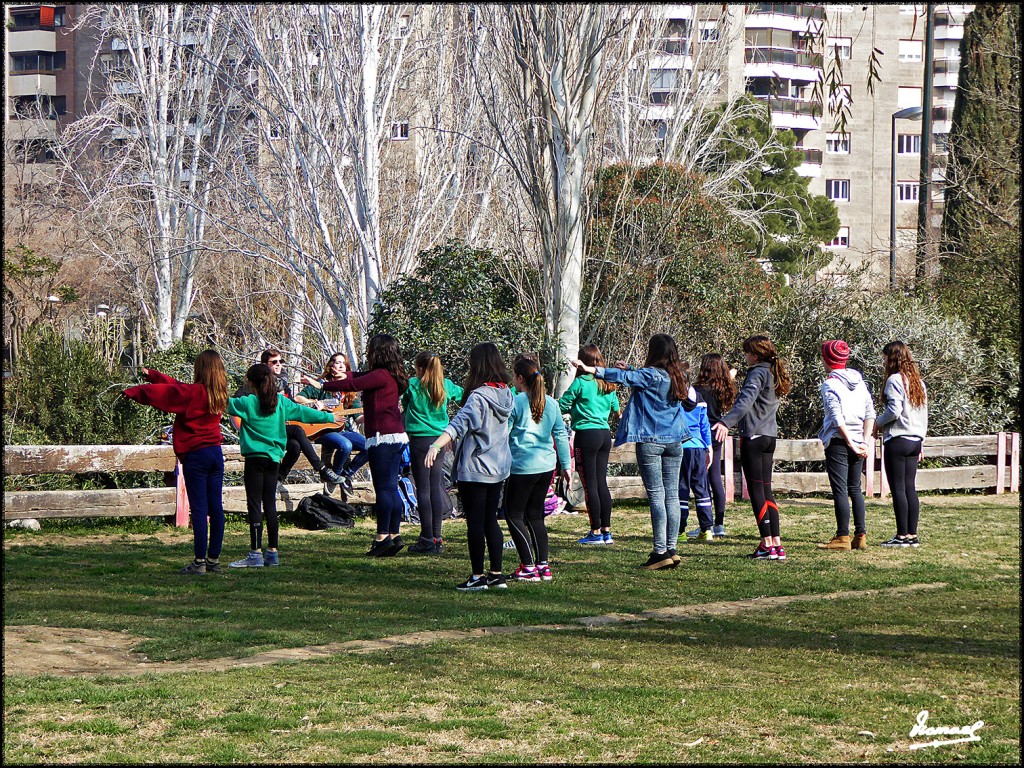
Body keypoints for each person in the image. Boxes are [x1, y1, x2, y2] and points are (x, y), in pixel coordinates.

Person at [572, 333, 697, 571]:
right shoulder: (679, 376)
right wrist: (631, 368)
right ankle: (671, 549)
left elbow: (623, 378)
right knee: (672, 495)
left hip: (651, 440)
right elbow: (638, 376)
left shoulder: (650, 375)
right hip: (676, 442)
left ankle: (659, 551)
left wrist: (590, 369)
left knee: (657, 496)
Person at [123, 350, 229, 575]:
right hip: (215, 454)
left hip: (196, 456)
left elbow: (170, 394)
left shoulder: (193, 393)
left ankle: (199, 562)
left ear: (200, 369)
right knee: (215, 507)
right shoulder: (219, 394)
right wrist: (154, 375)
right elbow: (175, 387)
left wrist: (136, 392)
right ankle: (213, 560)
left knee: (199, 509)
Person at [226, 363, 342, 568]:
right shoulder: (280, 402)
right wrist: (329, 417)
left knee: (254, 504)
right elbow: (304, 413)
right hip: (273, 460)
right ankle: (272, 552)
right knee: (269, 504)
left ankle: (255, 554)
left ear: (251, 383)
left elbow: (221, 402)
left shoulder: (247, 402)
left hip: (254, 459)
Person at [425, 342, 514, 591]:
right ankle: (496, 574)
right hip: (497, 467)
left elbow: (458, 424)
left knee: (475, 522)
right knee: (490, 521)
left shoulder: (479, 396)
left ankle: (477, 577)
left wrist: (436, 445)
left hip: (475, 468)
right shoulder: (507, 394)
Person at [322, 334, 410, 557]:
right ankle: (394, 535)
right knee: (391, 487)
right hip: (395, 437)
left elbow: (355, 383)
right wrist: (346, 374)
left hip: (383, 437)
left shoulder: (380, 375)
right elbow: (359, 377)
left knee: (383, 488)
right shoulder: (389, 373)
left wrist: (323, 384)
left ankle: (381, 537)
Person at [712, 334, 792, 561]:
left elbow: (744, 402)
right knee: (767, 491)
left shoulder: (757, 373)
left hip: (754, 438)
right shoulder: (772, 372)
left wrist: (725, 422)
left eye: (747, 352)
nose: (745, 356)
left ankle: (767, 544)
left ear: (755, 354)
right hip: (769, 436)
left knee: (757, 492)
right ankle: (776, 543)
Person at [234, 349, 343, 488]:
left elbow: (293, 408)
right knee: (297, 430)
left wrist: (317, 409)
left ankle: (278, 480)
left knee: (295, 447)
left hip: (279, 428)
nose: (279, 365)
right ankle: (322, 469)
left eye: (281, 361)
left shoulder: (283, 385)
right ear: (265, 365)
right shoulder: (256, 383)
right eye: (274, 362)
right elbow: (236, 403)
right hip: (262, 430)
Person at [506, 357, 571, 582]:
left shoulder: (516, 402)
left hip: (523, 465)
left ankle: (528, 566)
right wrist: (566, 466)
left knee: (513, 514)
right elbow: (561, 435)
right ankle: (543, 566)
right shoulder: (551, 403)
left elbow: (504, 432)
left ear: (520, 378)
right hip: (546, 466)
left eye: (514, 375)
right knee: (535, 516)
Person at [816, 340, 876, 552]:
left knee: (840, 489)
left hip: (839, 441)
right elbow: (870, 413)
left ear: (827, 360)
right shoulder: (860, 381)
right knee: (855, 488)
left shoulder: (830, 384)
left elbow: (835, 417)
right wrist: (863, 442)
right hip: (859, 441)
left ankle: (842, 536)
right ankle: (861, 534)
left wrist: (850, 442)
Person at [401, 351, 463, 554]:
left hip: (420, 440)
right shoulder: (446, 385)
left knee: (423, 489)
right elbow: (464, 396)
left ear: (419, 368)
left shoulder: (413, 385)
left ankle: (426, 537)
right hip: (440, 439)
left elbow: (405, 405)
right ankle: (437, 536)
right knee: (436, 486)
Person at [559, 343, 619, 546]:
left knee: (589, 485)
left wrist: (574, 410)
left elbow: (562, 404)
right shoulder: (607, 383)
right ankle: (606, 530)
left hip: (586, 434)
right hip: (604, 434)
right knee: (601, 482)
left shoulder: (581, 383)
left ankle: (595, 532)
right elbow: (615, 408)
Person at [873, 340, 928, 548]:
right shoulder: (918, 382)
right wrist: (921, 441)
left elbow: (894, 411)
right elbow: (923, 415)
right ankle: (912, 535)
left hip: (898, 439)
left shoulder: (895, 380)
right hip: (915, 440)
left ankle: (901, 535)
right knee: (909, 488)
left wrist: (877, 423)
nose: (884, 361)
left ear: (892, 358)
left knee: (898, 489)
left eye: (885, 357)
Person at [295, 352, 368, 494]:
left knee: (369, 446)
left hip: (342, 429)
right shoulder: (321, 384)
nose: (340, 366)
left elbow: (358, 418)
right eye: (337, 362)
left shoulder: (349, 390)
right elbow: (298, 399)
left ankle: (344, 475)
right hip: (322, 429)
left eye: (343, 363)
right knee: (345, 445)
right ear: (331, 365)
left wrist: (371, 415)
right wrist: (317, 403)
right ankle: (334, 475)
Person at [692, 353, 737, 538]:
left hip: (702, 434)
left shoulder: (697, 389)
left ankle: (706, 525)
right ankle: (719, 524)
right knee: (715, 478)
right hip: (718, 432)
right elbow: (729, 380)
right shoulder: (724, 389)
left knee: (701, 480)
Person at [678, 368, 714, 543]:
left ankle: (680, 531)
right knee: (702, 489)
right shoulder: (700, 400)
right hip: (699, 448)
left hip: (681, 448)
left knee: (681, 489)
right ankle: (707, 529)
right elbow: (704, 425)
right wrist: (709, 447)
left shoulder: (674, 400)